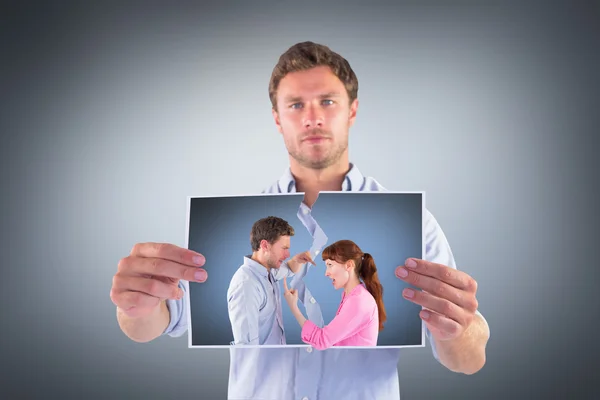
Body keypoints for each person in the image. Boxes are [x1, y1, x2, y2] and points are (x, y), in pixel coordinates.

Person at [110, 41, 491, 400]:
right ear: (277, 118)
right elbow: (158, 318)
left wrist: (462, 328)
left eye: (327, 101)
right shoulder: (236, 221)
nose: (312, 118)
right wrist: (136, 306)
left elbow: (468, 358)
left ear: (352, 110)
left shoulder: (410, 223)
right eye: (295, 105)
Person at [227, 216, 315, 346]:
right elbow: (246, 347)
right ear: (264, 245)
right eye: (284, 248)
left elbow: (289, 269)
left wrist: (297, 260)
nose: (287, 255)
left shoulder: (269, 271)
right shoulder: (247, 285)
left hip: (277, 360)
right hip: (263, 365)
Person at [283, 239, 385, 350]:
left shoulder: (358, 301)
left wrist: (294, 308)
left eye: (330, 265)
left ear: (349, 265)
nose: (326, 273)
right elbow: (331, 338)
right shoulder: (351, 297)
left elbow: (321, 340)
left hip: (356, 367)